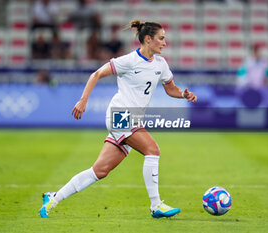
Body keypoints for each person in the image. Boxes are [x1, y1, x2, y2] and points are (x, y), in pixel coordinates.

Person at [39, 20, 197, 219]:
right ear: (148, 39)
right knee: (153, 150)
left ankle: (54, 198)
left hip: (133, 119)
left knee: (99, 170)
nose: (165, 43)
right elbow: (96, 74)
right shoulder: (129, 61)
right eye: (161, 38)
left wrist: (184, 94)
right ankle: (156, 205)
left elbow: (170, 88)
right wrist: (83, 101)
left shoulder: (160, 64)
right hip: (120, 114)